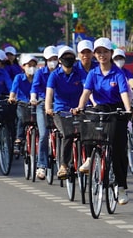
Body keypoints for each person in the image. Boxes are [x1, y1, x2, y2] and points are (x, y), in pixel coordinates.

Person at [77, 38, 132, 204]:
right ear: (95, 54)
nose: (102, 55)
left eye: (105, 52)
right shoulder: (93, 73)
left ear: (111, 53)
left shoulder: (118, 73)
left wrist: (128, 109)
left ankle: (121, 187)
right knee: (87, 121)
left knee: (117, 150)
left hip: (117, 110)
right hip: (100, 108)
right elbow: (86, 92)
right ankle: (89, 158)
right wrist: (80, 107)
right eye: (99, 52)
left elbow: (124, 92)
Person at [45, 46, 87, 179]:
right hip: (60, 110)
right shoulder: (54, 75)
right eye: (65, 57)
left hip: (78, 109)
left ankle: (86, 160)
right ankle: (63, 165)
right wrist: (48, 108)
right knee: (68, 133)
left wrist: (90, 104)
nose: (68, 59)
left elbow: (87, 89)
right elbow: (49, 93)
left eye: (71, 57)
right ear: (59, 60)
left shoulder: (79, 73)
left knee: (87, 133)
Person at [31, 45, 58, 180]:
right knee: (43, 134)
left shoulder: (62, 72)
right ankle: (41, 165)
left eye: (55, 58)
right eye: (50, 59)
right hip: (42, 105)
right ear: (46, 60)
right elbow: (34, 88)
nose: (53, 61)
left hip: (58, 106)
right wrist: (33, 98)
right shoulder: (40, 73)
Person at [9, 53, 38, 148]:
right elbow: (13, 90)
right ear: (23, 66)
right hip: (22, 104)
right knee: (21, 119)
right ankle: (19, 138)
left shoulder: (38, 77)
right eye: (29, 65)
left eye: (34, 65)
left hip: (36, 104)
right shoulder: (19, 77)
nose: (32, 68)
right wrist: (12, 97)